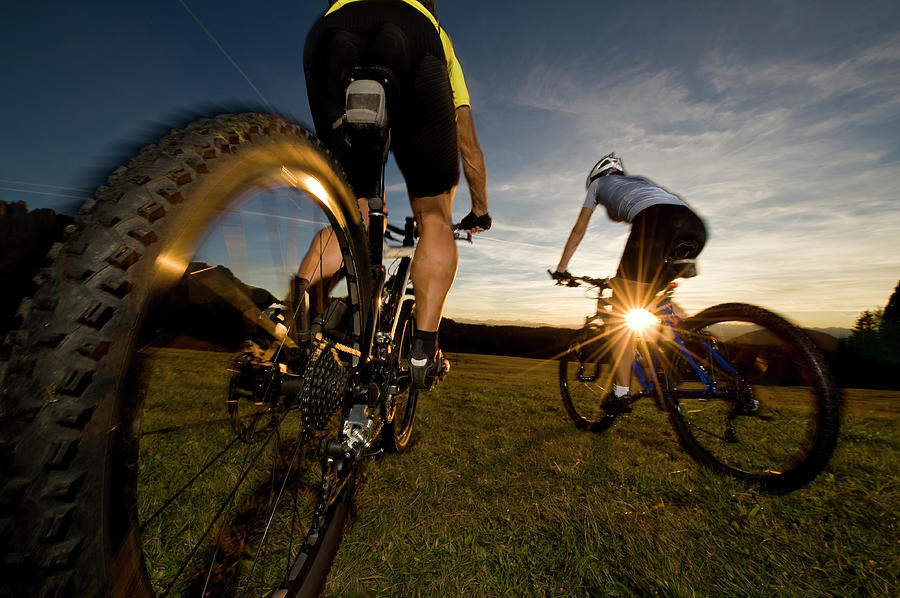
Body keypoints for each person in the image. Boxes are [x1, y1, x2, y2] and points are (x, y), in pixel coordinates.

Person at [301, 0, 491, 389]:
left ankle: (293, 320)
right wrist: (480, 210)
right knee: (434, 214)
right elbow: (467, 144)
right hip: (413, 34)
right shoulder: (437, 32)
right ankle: (422, 349)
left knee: (353, 213)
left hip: (330, 31)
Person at [550, 153, 706, 412]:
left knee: (621, 315)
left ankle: (620, 394)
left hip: (656, 223)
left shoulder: (598, 186)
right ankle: (691, 341)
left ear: (597, 176)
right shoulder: (640, 181)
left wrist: (562, 269)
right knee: (657, 299)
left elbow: (579, 229)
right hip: (693, 226)